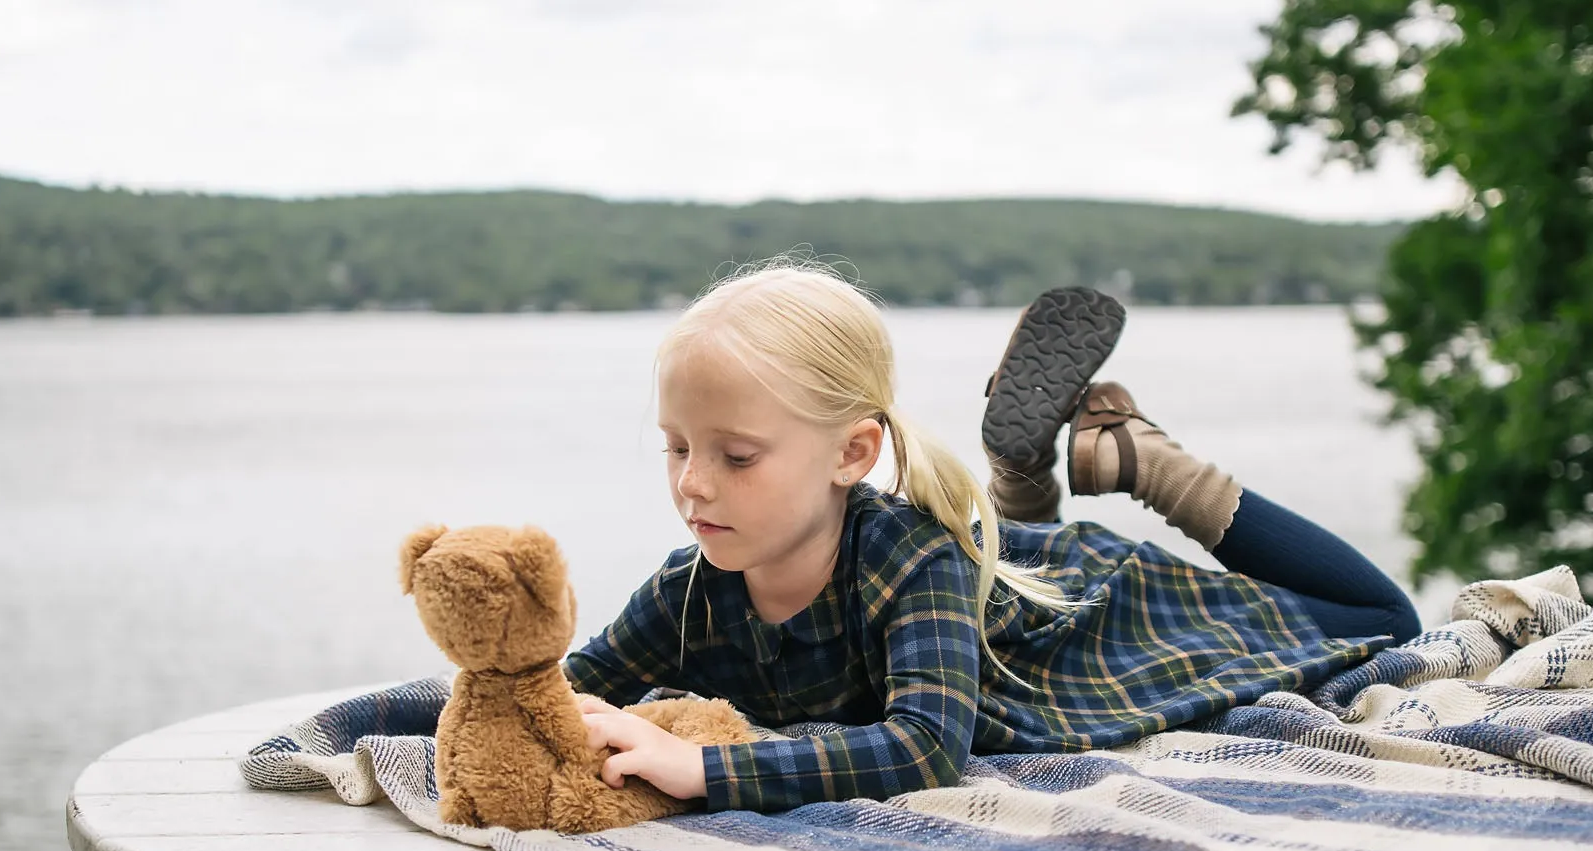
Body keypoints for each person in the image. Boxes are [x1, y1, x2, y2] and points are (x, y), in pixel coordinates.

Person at [567, 261, 1420, 814]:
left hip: (1087, 619)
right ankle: (1016, 495)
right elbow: (543, 688)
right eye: (677, 447)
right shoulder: (691, 590)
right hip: (993, 581)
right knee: (995, 551)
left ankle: (1142, 459)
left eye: (736, 456)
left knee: (1383, 616)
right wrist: (463, 689)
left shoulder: (905, 558)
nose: (693, 483)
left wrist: (707, 770)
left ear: (853, 453)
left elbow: (928, 748)